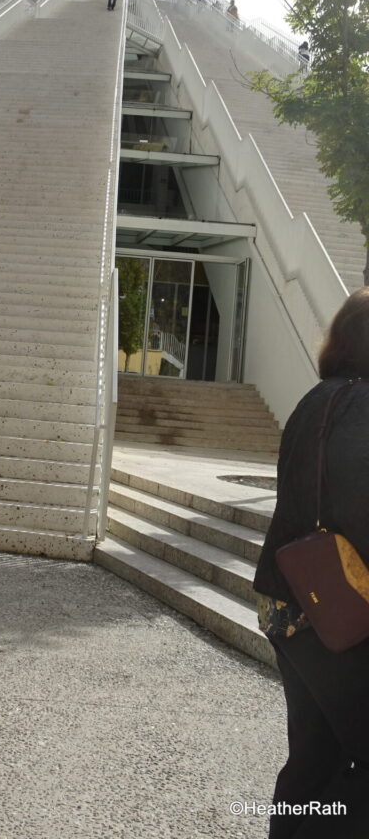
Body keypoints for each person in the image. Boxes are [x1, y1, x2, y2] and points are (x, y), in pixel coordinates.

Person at [254, 287, 369, 838]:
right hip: (339, 612)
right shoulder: (363, 404)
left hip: (289, 601)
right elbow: (356, 504)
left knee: (312, 757)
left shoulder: (316, 398)